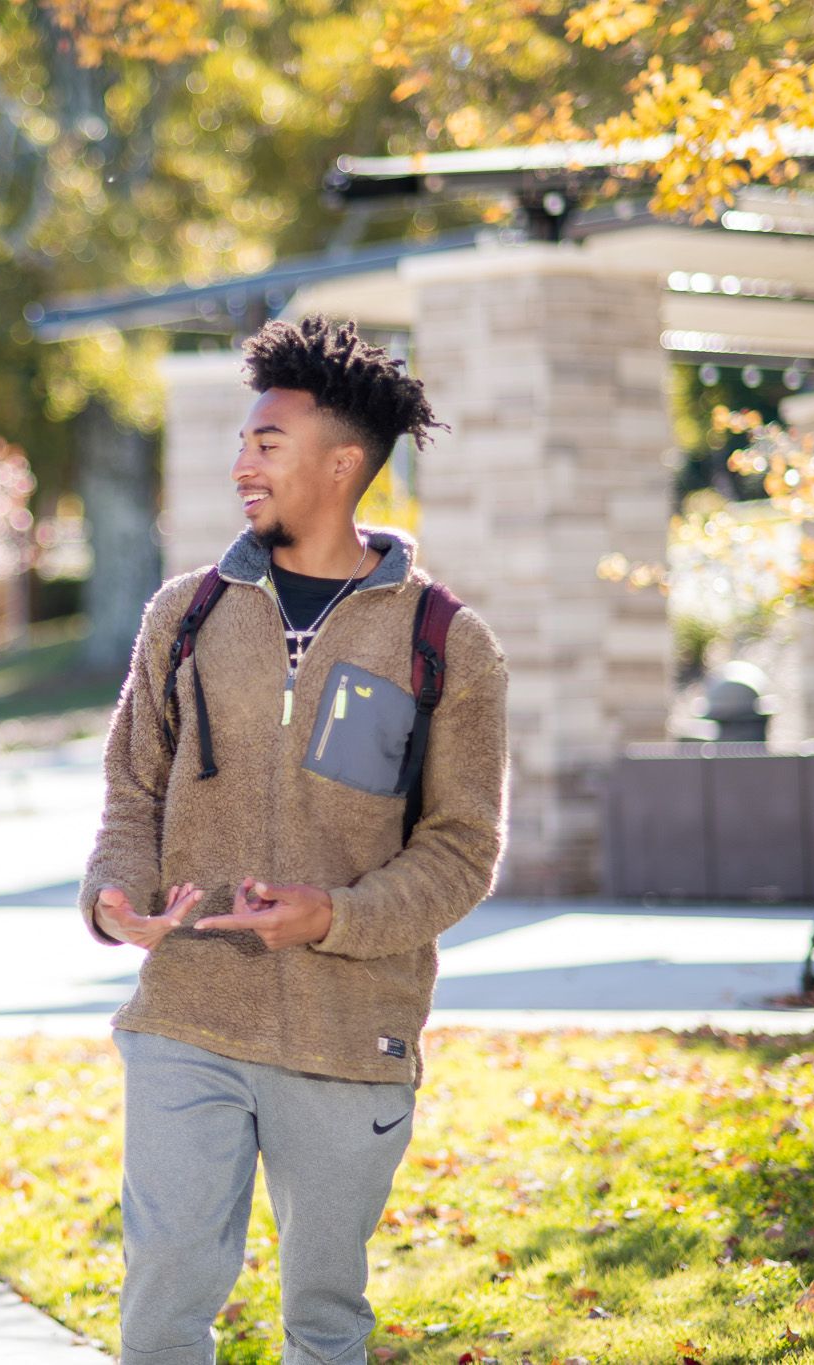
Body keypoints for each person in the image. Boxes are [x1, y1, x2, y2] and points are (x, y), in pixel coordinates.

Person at [80, 317, 510, 1365]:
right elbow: (131, 791)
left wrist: (337, 919)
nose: (240, 464)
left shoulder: (444, 642)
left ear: (339, 464)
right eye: (240, 442)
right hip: (186, 1011)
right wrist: (114, 898)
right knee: (164, 1299)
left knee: (323, 1316)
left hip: (348, 1031)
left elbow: (460, 848)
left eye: (264, 444)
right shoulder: (184, 614)